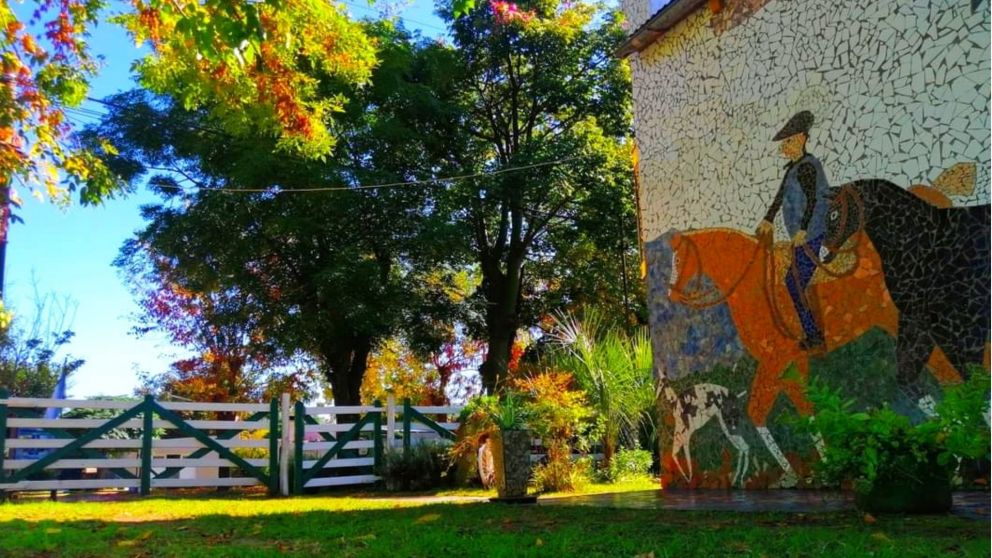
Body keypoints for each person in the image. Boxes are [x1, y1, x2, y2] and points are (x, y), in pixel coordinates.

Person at [755, 111, 830, 351]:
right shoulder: (793, 169)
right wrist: (768, 219)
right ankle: (812, 331)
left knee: (793, 283)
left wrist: (804, 230)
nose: (783, 148)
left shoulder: (808, 167)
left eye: (787, 142)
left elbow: (813, 201)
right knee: (792, 281)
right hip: (802, 237)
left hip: (812, 234)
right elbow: (779, 197)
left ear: (800, 138)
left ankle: (813, 333)